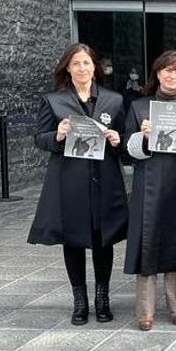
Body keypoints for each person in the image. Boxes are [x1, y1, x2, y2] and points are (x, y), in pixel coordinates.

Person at [28, 43, 127, 325]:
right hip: (69, 180)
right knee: (73, 239)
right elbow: (39, 138)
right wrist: (57, 136)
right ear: (67, 69)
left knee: (102, 238)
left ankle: (102, 297)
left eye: (86, 63)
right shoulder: (54, 101)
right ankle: (80, 300)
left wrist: (118, 141)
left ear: (95, 67)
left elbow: (124, 139)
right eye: (76, 64)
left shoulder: (113, 100)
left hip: (104, 178)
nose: (82, 68)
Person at [123, 51, 176, 331]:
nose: (172, 76)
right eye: (167, 70)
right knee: (146, 246)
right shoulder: (138, 107)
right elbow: (126, 151)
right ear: (157, 73)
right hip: (147, 184)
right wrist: (142, 137)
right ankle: (145, 312)